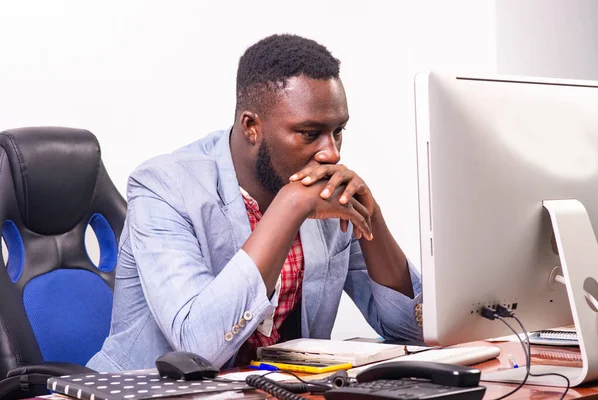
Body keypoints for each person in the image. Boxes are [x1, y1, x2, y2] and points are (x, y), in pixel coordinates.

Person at [87, 34, 423, 372]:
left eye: (338, 131)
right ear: (251, 127)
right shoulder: (165, 189)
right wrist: (288, 209)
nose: (331, 153)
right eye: (310, 133)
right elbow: (198, 347)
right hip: (147, 393)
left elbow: (415, 333)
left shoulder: (326, 192)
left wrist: (373, 218)